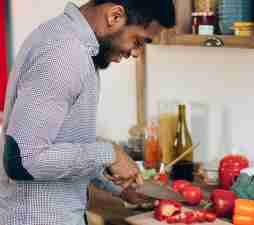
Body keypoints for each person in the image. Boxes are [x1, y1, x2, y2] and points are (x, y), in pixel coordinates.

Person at [0, 0, 175, 224]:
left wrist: (116, 187)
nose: (137, 53)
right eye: (138, 40)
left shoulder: (72, 45)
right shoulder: (64, 54)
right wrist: (109, 153)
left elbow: (63, 142)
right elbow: (23, 160)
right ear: (114, 16)